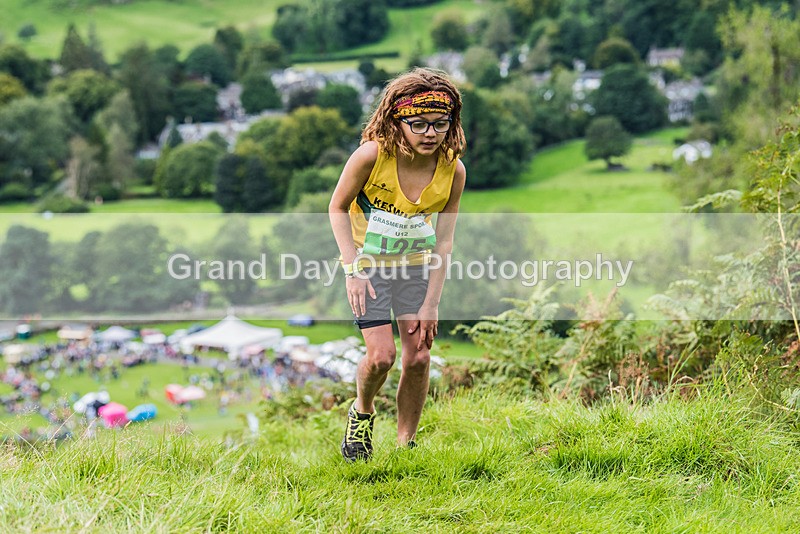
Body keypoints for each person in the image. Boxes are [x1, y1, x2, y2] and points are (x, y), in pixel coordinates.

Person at [329, 68, 466, 462]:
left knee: (419, 356)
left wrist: (432, 303)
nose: (430, 133)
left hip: (415, 267)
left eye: (440, 123)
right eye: (418, 124)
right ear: (397, 121)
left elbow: (444, 240)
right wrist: (352, 270)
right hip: (367, 267)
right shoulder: (372, 156)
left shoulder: (453, 169)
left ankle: (406, 445)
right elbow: (336, 207)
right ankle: (362, 411)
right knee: (381, 357)